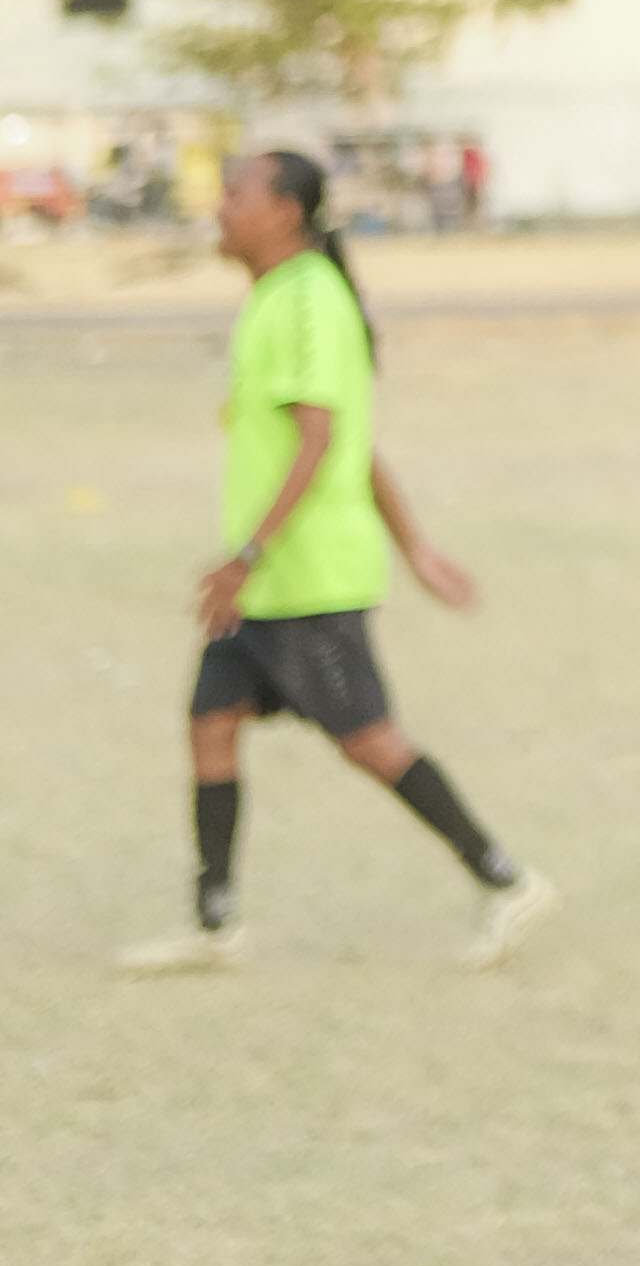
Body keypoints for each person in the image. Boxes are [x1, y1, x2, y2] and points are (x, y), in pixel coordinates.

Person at [118, 146, 550, 973]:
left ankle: (508, 880)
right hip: (268, 578)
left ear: (285, 210)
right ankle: (216, 926)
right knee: (211, 725)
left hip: (305, 576)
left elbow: (322, 442)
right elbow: (355, 444)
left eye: (235, 194)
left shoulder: (311, 299)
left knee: (370, 742)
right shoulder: (277, 296)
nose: (219, 208)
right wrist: (416, 544)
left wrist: (244, 556)